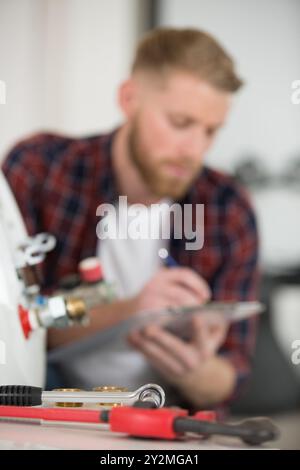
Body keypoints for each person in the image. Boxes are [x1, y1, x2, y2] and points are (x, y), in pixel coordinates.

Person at [2, 28, 259, 409]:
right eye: (180, 122)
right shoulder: (42, 169)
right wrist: (130, 311)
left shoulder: (227, 207)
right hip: (50, 405)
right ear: (129, 99)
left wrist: (196, 371)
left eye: (211, 131)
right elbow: (14, 326)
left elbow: (230, 376)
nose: (194, 150)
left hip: (168, 416)